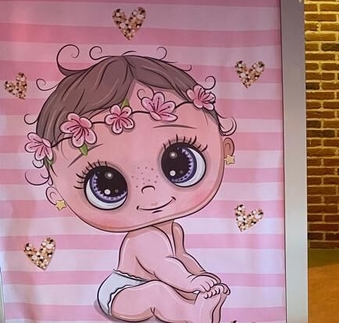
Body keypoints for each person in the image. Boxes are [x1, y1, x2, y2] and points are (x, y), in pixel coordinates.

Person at [23, 45, 236, 323]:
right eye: (107, 185)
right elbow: (164, 267)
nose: (149, 192)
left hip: (146, 286)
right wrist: (190, 282)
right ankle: (192, 314)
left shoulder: (172, 229)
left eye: (180, 165)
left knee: (162, 290)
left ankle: (194, 308)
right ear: (57, 192)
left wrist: (200, 276)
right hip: (120, 292)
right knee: (158, 292)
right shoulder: (144, 237)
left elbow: (181, 257)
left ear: (225, 149)